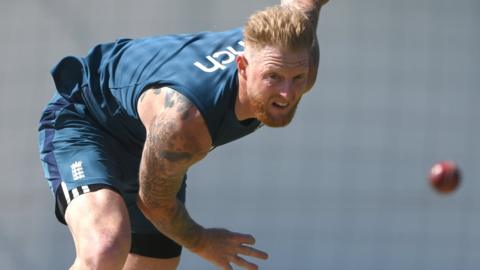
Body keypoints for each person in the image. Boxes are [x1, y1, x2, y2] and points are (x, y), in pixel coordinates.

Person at [38, 0, 329, 269]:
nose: (287, 93)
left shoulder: (299, 55)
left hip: (150, 139)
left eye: (297, 79)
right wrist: (203, 241)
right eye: (272, 77)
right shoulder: (185, 122)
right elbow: (154, 203)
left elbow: (301, 6)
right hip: (89, 118)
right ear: (243, 67)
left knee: (154, 265)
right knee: (106, 246)